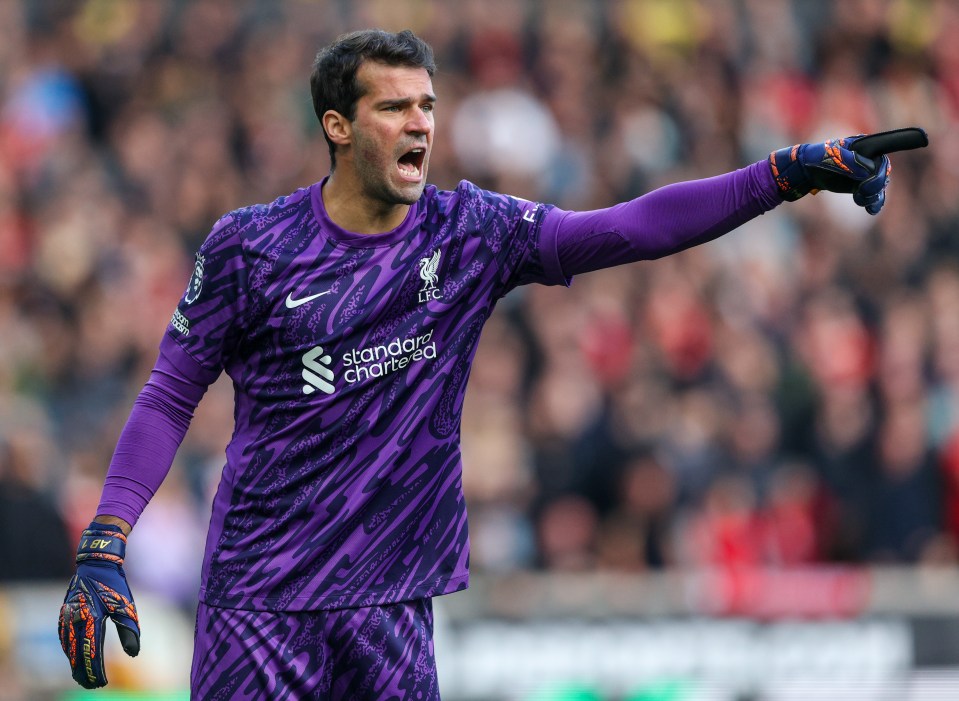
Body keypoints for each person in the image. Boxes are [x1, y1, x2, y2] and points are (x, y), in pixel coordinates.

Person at [58, 28, 896, 699]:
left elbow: (632, 228)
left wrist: (782, 174)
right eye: (395, 108)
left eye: (427, 105)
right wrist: (106, 536)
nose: (421, 123)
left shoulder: (470, 234)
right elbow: (171, 392)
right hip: (260, 602)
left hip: (392, 606)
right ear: (337, 127)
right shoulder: (251, 246)